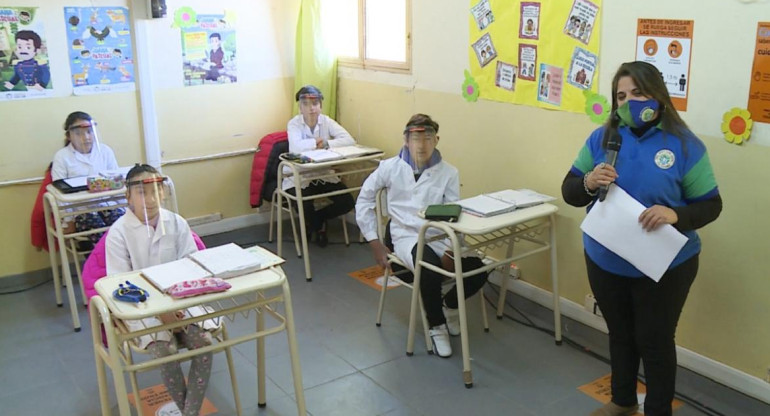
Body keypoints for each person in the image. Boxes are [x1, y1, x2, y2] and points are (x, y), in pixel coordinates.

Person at [561, 61, 722, 416]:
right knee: (620, 333)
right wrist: (588, 182)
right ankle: (622, 401)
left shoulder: (684, 145)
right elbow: (570, 190)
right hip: (606, 258)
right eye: (621, 95)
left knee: (654, 340)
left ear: (658, 95)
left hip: (664, 264)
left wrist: (676, 215)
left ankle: (658, 410)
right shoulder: (602, 139)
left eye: (637, 93)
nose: (629, 102)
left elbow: (711, 205)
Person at [356, 114, 489, 358]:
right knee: (427, 265)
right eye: (415, 138)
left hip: (441, 235)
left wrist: (450, 249)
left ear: (436, 140)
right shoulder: (389, 167)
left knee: (480, 268)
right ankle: (436, 326)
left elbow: (453, 214)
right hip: (406, 236)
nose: (421, 144)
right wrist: (373, 241)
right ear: (406, 140)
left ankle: (450, 306)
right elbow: (364, 200)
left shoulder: (448, 172)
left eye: (427, 138)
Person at [106, 164, 215, 416]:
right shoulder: (118, 233)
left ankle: (189, 413)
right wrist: (161, 313)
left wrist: (176, 308)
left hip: (182, 304)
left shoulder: (176, 223)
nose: (151, 199)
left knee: (205, 343)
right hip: (142, 310)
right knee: (166, 352)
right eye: (142, 193)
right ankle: (190, 410)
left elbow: (192, 269)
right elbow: (121, 286)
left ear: (164, 192)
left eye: (156, 190)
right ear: (128, 197)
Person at [284, 85, 356, 247]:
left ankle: (316, 222)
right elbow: (296, 148)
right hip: (298, 175)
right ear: (300, 107)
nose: (311, 109)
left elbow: (349, 140)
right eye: (306, 104)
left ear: (320, 106)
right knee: (304, 204)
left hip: (323, 174)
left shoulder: (326, 121)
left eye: (315, 104)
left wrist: (326, 143)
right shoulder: (294, 124)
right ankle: (317, 227)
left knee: (346, 202)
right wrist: (313, 142)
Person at [52, 111, 124, 242]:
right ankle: (102, 262)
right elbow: (58, 192)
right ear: (69, 135)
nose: (86, 137)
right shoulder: (62, 157)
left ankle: (126, 261)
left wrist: (127, 209)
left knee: (122, 226)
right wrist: (68, 220)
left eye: (89, 132)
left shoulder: (105, 151)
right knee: (99, 232)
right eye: (79, 133)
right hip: (79, 211)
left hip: (108, 204)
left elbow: (116, 182)